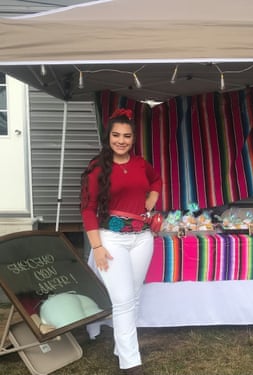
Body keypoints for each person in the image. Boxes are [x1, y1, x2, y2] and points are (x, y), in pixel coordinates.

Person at [80, 108, 162, 375]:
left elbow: (156, 179)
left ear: (133, 138)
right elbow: (87, 209)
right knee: (124, 299)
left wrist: (152, 197)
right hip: (111, 238)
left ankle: (121, 347)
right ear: (109, 136)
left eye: (127, 136)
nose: (121, 140)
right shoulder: (97, 167)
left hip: (142, 238)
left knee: (134, 296)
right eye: (116, 135)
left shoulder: (140, 163)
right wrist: (97, 247)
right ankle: (130, 362)